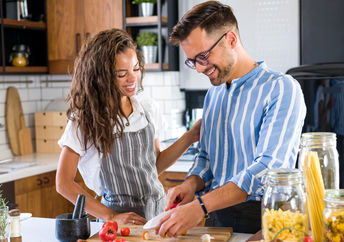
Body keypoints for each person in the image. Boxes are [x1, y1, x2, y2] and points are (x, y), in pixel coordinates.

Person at [155, 1, 306, 236]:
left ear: (231, 40)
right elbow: (206, 158)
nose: (198, 68)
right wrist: (190, 184)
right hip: (217, 217)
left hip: (263, 220)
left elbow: (268, 169)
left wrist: (201, 205)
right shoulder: (214, 93)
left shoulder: (281, 89)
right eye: (192, 60)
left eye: (203, 56)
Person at [56, 28, 201, 224]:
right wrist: (111, 217)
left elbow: (155, 165)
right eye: (122, 74)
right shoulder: (85, 119)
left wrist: (190, 136)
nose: (133, 79)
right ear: (102, 76)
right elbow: (63, 183)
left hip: (157, 215)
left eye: (135, 68)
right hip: (117, 221)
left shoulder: (147, 108)